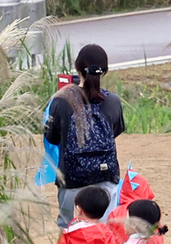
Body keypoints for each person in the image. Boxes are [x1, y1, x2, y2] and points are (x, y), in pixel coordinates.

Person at [44, 45, 126, 229]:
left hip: (71, 179)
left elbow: (52, 138)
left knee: (69, 231)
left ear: (78, 68)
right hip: (106, 177)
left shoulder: (61, 101)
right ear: (104, 71)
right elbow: (115, 132)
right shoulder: (113, 101)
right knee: (106, 232)